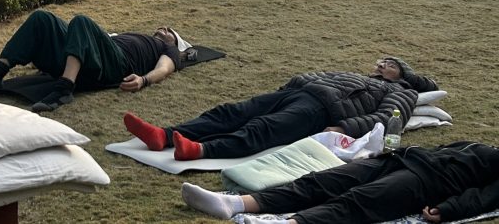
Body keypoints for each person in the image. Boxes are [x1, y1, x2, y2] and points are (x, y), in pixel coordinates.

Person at [180, 135, 499, 223]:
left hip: (427, 185)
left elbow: (492, 196)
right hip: (401, 161)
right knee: (323, 180)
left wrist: (449, 210)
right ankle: (233, 203)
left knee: (358, 202)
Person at [124, 57, 437, 160]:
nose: (381, 64)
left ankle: (199, 150)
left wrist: (343, 128)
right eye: (381, 61)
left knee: (262, 129)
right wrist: (292, 85)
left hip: (322, 111)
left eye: (389, 63)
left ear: (403, 73)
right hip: (296, 93)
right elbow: (321, 75)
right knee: (230, 113)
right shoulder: (362, 77)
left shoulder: (401, 91)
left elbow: (386, 119)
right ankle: (163, 136)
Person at [0, 10, 193, 112]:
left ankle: (64, 89)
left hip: (117, 66)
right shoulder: (134, 36)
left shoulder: (168, 49)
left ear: (175, 42)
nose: (164, 29)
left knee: (81, 21)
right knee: (42, 18)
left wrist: (144, 80)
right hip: (95, 57)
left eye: (169, 31)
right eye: (163, 27)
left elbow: (165, 69)